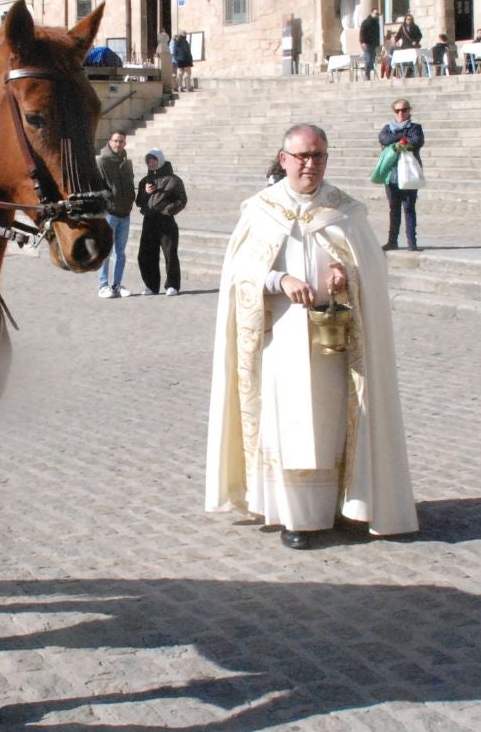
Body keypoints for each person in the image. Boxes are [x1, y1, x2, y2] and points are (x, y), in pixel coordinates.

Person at [204, 123, 416, 549]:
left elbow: (369, 272)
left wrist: (346, 275)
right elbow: (238, 274)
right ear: (283, 160)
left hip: (333, 345)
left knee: (334, 423)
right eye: (301, 156)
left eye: (318, 155)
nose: (309, 164)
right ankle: (297, 518)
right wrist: (278, 279)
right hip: (280, 343)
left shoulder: (346, 212)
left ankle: (346, 504)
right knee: (291, 428)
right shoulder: (261, 210)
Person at [135, 148, 187, 297]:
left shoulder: (173, 180)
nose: (151, 163)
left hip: (166, 222)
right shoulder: (145, 181)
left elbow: (181, 200)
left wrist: (167, 210)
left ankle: (172, 285)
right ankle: (151, 285)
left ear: (160, 160)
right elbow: (139, 202)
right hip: (149, 221)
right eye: (148, 160)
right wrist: (145, 192)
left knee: (170, 254)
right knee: (146, 254)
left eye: (154, 160)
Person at [377, 99, 424, 252]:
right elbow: (383, 139)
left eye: (404, 110)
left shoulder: (416, 127)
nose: (401, 113)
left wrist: (396, 141)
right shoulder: (387, 128)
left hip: (409, 173)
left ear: (409, 111)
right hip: (392, 174)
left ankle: (412, 242)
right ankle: (392, 241)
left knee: (409, 208)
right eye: (397, 111)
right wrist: (403, 138)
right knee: (394, 208)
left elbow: (416, 141)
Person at [96, 130, 135, 299]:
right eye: (115, 141)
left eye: (121, 142)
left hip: (125, 213)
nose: (118, 144)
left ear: (125, 144)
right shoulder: (102, 161)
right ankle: (103, 285)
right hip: (110, 213)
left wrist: (131, 199)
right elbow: (98, 186)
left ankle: (117, 285)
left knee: (121, 252)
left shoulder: (127, 162)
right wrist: (109, 198)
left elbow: (130, 183)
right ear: (110, 142)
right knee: (106, 251)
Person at [358, 9, 382, 78]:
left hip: (372, 43)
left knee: (372, 58)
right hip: (366, 43)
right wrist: (362, 42)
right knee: (368, 58)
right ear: (371, 13)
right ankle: (367, 73)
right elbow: (362, 32)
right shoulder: (367, 22)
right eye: (375, 13)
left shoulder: (376, 23)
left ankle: (368, 71)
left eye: (378, 14)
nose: (377, 15)